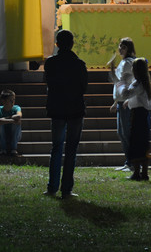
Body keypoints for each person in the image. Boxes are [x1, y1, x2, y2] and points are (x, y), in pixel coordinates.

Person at [44, 29, 88, 198]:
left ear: (57, 44)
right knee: (71, 149)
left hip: (57, 108)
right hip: (75, 109)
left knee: (56, 147)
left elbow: (48, 83)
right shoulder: (79, 64)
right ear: (72, 44)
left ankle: (52, 186)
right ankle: (67, 188)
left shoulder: (50, 63)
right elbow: (84, 88)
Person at [120, 58, 151, 181]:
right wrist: (128, 101)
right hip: (143, 114)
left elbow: (127, 93)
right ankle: (143, 172)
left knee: (136, 142)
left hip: (138, 115)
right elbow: (138, 97)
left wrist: (121, 84)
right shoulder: (143, 83)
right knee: (143, 143)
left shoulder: (138, 84)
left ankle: (137, 172)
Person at [108, 37, 135, 171]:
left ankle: (132, 162)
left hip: (126, 102)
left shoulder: (128, 63)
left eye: (123, 47)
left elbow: (126, 83)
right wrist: (115, 102)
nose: (120, 49)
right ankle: (128, 161)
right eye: (120, 46)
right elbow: (118, 83)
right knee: (121, 132)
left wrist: (112, 69)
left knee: (126, 132)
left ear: (129, 49)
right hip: (121, 101)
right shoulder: (123, 62)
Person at [0, 89, 22, 157]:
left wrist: (3, 119)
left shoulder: (16, 108)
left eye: (14, 100)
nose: (13, 102)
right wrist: (11, 120)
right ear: (4, 101)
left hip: (14, 135)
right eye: (11, 100)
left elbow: (18, 116)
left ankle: (13, 149)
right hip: (1, 136)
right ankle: (3, 149)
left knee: (17, 123)